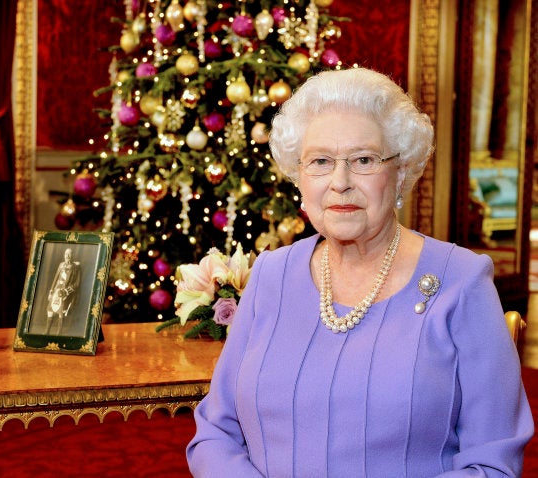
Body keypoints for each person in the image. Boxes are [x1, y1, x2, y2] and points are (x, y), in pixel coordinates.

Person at [186, 68, 533, 477]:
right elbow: (215, 431)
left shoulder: (461, 281)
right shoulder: (270, 275)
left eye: (364, 160)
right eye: (320, 161)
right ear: (299, 177)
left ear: (400, 172)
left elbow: (491, 464)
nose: (340, 182)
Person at [45, 248, 81, 335]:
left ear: (72, 256)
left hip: (66, 293)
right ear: (64, 255)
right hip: (56, 290)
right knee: (50, 309)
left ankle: (59, 333)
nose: (67, 256)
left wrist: (67, 291)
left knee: (61, 311)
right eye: (66, 254)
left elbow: (77, 284)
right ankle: (47, 332)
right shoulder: (61, 265)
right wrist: (51, 291)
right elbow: (56, 278)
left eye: (69, 254)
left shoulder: (76, 267)